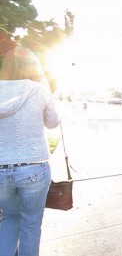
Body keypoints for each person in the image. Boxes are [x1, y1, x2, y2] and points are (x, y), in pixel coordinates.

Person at [0, 46, 60, 256]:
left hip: (0, 169)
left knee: (8, 218)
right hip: (34, 168)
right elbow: (53, 123)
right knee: (31, 225)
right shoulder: (39, 89)